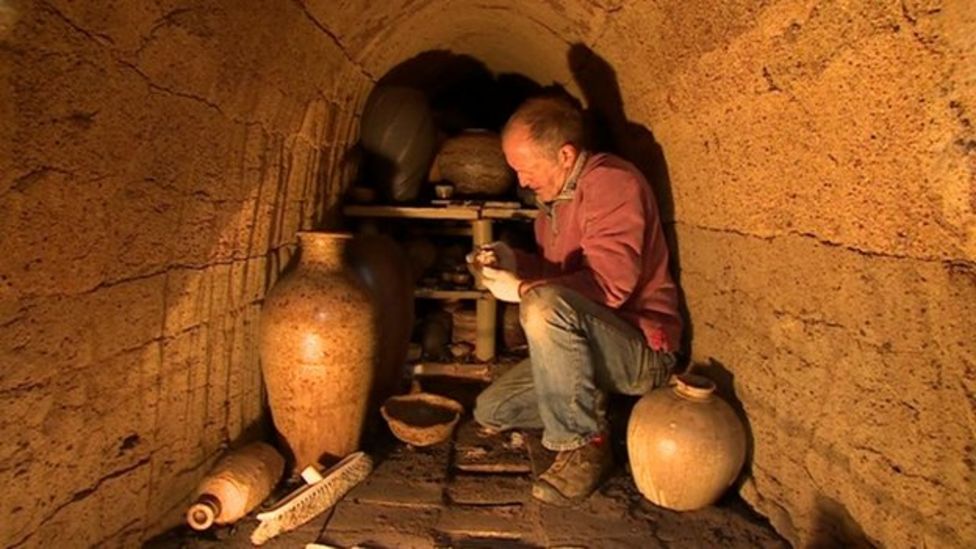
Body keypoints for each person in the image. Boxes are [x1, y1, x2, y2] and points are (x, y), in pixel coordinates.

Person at [470, 94, 683, 506]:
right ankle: (595, 405)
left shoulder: (611, 184)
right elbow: (557, 276)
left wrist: (517, 289)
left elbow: (608, 286)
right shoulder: (553, 207)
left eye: (525, 168)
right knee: (492, 410)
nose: (521, 180)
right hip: (592, 343)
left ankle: (585, 443)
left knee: (542, 306)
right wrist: (510, 259)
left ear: (565, 155)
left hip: (642, 348)